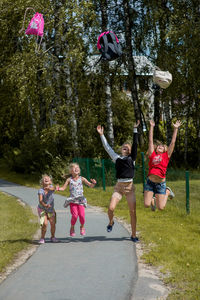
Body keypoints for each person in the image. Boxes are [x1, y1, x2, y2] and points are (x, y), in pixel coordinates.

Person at [97, 121, 140, 242]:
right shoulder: (116, 158)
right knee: (110, 208)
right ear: (121, 149)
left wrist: (135, 129)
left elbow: (135, 144)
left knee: (132, 211)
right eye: (123, 146)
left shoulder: (132, 159)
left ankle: (133, 235)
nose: (125, 147)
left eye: (127, 147)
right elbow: (107, 148)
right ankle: (111, 222)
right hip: (119, 187)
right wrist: (101, 134)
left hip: (130, 187)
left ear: (130, 150)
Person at [144, 119, 182, 211]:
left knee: (161, 207)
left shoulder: (166, 156)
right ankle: (153, 199)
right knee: (146, 205)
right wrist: (151, 127)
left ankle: (167, 191)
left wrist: (175, 129)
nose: (160, 146)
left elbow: (172, 143)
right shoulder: (152, 155)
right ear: (156, 149)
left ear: (165, 150)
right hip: (150, 182)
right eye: (159, 146)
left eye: (162, 146)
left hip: (160, 184)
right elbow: (150, 141)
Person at [56, 163, 96, 237]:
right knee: (75, 215)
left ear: (79, 170)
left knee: (82, 216)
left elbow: (90, 185)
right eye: (74, 168)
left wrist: (93, 183)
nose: (76, 169)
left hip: (81, 200)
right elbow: (63, 188)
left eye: (77, 167)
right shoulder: (69, 180)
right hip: (73, 201)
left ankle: (82, 226)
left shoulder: (82, 178)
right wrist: (58, 188)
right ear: (71, 171)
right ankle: (72, 227)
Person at [37, 174, 58, 244]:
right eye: (44, 179)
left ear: (50, 182)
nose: (46, 179)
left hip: (50, 210)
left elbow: (54, 188)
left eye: (48, 179)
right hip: (42, 209)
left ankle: (53, 237)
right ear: (42, 182)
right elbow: (40, 200)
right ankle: (42, 238)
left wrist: (50, 188)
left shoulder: (51, 188)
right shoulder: (41, 191)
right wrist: (45, 205)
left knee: (53, 223)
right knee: (45, 224)